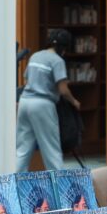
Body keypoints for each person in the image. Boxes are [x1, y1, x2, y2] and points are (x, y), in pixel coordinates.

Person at [16, 28, 81, 172]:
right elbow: (63, 89)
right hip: (43, 105)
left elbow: (27, 79)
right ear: (63, 47)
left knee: (22, 149)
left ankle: (15, 185)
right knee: (51, 150)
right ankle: (58, 187)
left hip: (25, 102)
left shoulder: (36, 56)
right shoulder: (57, 61)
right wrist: (74, 102)